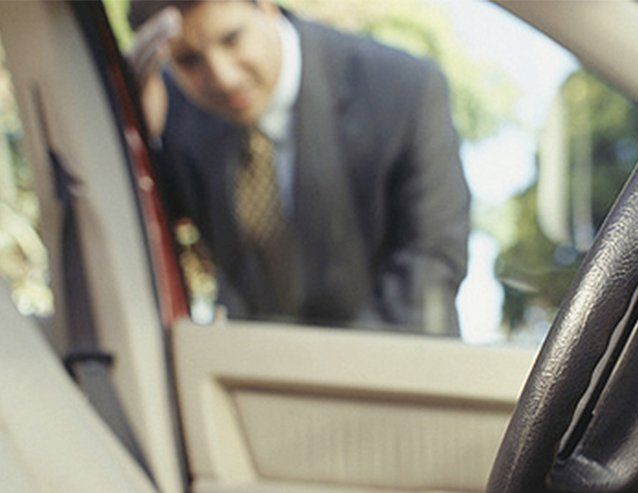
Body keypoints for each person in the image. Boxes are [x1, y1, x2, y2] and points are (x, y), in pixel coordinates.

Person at [127, 0, 470, 334]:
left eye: (231, 39)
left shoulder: (403, 87)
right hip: (247, 376)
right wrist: (137, 133)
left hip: (390, 369)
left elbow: (429, 266)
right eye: (189, 60)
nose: (223, 77)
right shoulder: (173, 110)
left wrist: (328, 375)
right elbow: (140, 243)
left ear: (266, 7)